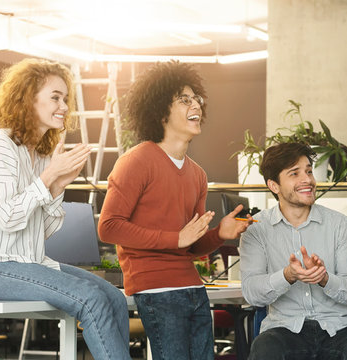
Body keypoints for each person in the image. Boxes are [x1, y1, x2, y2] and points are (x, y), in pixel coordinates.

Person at [0, 58, 131, 360]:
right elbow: (9, 217)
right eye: (55, 97)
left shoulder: (37, 155)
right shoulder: (0, 145)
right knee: (90, 298)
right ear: (27, 99)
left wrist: (56, 187)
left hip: (28, 263)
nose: (64, 105)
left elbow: (43, 230)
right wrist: (48, 178)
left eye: (65, 98)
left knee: (114, 297)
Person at [97, 61, 251, 360]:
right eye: (184, 99)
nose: (196, 105)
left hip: (193, 289)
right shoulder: (136, 161)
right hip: (155, 290)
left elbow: (189, 246)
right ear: (160, 110)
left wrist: (221, 233)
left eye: (197, 99)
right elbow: (109, 227)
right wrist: (173, 239)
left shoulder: (198, 175)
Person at [240, 142, 347, 360]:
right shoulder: (256, 230)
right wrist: (287, 276)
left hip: (339, 328)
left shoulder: (339, 225)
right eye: (294, 173)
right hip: (284, 330)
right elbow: (251, 293)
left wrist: (325, 279)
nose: (307, 180)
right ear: (274, 185)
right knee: (265, 349)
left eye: (308, 171)